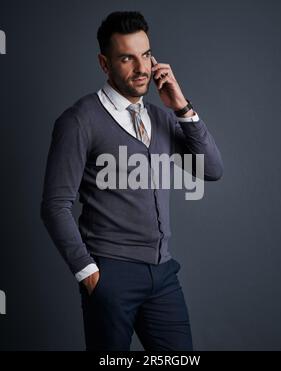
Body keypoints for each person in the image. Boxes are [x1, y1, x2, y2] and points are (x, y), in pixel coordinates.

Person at [40, 11, 223, 351]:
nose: (142, 68)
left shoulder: (160, 117)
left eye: (147, 55)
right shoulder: (79, 121)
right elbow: (55, 205)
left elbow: (211, 169)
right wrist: (89, 275)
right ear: (104, 63)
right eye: (127, 58)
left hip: (163, 273)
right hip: (111, 274)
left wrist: (182, 107)